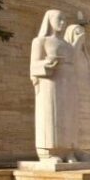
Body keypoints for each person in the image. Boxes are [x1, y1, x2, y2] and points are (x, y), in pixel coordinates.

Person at [31, 10, 79, 162]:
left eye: (65, 19)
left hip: (68, 84)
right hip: (50, 84)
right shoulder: (40, 41)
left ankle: (68, 151)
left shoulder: (68, 45)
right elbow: (33, 66)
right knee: (52, 116)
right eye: (59, 19)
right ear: (49, 20)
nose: (63, 23)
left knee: (68, 116)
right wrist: (47, 64)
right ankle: (50, 152)